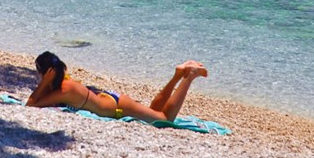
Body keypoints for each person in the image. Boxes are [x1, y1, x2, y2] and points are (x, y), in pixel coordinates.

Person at [27, 51, 206, 122]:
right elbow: (41, 99)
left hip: (118, 107)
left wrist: (43, 82)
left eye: (39, 71)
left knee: (165, 119)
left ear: (46, 72)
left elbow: (31, 104)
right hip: (112, 100)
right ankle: (177, 74)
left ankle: (189, 76)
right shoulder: (62, 82)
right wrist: (47, 82)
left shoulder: (64, 90)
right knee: (155, 112)